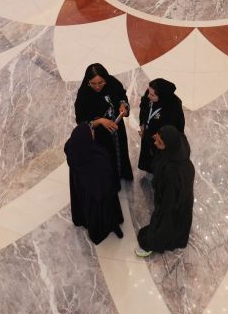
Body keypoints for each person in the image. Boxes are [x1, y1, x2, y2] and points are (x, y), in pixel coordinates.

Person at [135, 125, 194, 258]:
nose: (156, 143)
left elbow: (168, 203)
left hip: (172, 202)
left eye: (160, 142)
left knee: (164, 223)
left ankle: (154, 244)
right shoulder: (178, 150)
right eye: (157, 138)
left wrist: (161, 211)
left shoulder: (171, 172)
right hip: (181, 199)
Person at [74, 63, 133, 188]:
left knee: (121, 152)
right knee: (106, 159)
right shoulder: (84, 94)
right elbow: (81, 121)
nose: (97, 87)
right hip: (100, 136)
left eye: (101, 83)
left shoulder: (112, 82)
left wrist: (123, 105)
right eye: (93, 83)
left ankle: (122, 174)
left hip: (117, 129)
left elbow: (122, 95)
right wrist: (100, 121)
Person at [64, 123, 124, 244]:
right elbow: (108, 181)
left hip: (83, 193)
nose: (93, 133)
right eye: (91, 131)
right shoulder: (98, 156)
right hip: (100, 196)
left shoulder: (72, 148)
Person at [137, 78, 184, 174]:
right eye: (149, 92)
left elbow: (168, 134)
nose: (148, 96)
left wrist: (147, 135)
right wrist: (142, 123)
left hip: (159, 143)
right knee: (148, 159)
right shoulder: (150, 93)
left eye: (152, 95)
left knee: (159, 166)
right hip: (147, 134)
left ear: (162, 96)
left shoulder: (172, 110)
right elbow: (144, 105)